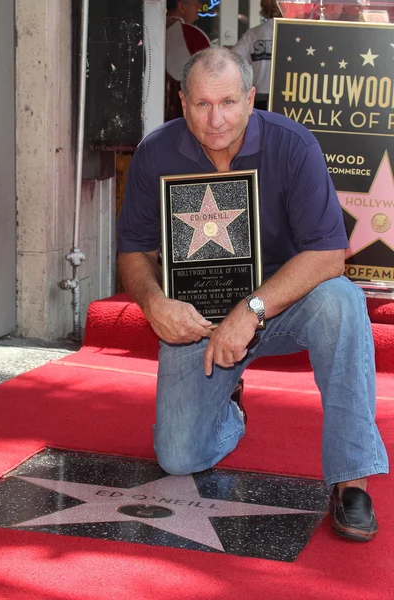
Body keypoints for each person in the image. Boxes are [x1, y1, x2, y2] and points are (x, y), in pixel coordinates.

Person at [118, 47, 389, 542]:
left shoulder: (293, 145)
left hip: (281, 307)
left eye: (227, 102)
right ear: (182, 102)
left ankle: (352, 479)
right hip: (197, 316)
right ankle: (232, 410)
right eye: (201, 104)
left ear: (250, 98)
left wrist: (252, 308)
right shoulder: (155, 153)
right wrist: (155, 303)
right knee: (179, 456)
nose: (215, 119)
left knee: (343, 301)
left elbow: (330, 255)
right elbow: (132, 251)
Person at [231, 0, 282, 110]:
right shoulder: (295, 33)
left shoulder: (253, 34)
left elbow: (232, 59)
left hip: (259, 97)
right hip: (285, 97)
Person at [165, 0, 210, 121]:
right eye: (196, 3)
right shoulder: (193, 35)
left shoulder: (148, 31)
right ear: (181, 7)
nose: (199, 6)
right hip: (182, 115)